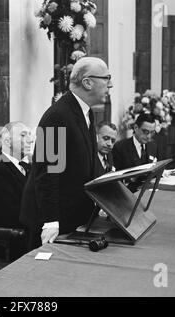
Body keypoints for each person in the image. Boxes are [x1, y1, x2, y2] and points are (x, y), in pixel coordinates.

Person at [20, 57, 113, 250]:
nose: (110, 84)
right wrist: (51, 222)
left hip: (74, 214)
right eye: (106, 78)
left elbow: (88, 163)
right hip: (51, 221)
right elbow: (46, 173)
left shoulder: (86, 112)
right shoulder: (57, 116)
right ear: (88, 82)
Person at [0, 121, 33, 260]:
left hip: (29, 233)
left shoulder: (28, 167)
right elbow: (10, 214)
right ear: (7, 140)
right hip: (12, 243)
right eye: (23, 135)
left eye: (30, 134)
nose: (30, 139)